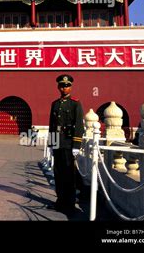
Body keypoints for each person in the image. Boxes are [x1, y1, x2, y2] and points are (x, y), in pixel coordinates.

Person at [47, 74, 84, 214]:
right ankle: (60, 202)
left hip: (69, 144)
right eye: (62, 85)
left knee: (69, 175)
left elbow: (79, 125)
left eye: (67, 86)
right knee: (58, 174)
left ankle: (70, 204)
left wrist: (76, 146)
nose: (64, 88)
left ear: (71, 87)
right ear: (58, 87)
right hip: (57, 143)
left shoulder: (75, 103)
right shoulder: (55, 104)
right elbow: (52, 125)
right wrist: (51, 144)